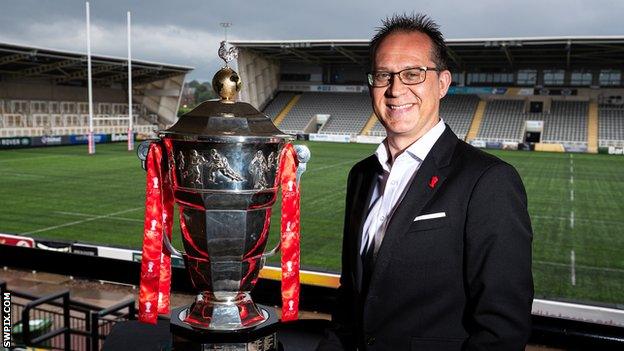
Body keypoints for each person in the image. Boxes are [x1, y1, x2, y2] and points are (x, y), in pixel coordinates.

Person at [317, 13, 533, 350]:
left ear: (443, 83)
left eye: (413, 74)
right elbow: (351, 299)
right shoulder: (361, 175)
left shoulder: (488, 181)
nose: (395, 89)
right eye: (383, 75)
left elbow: (501, 331)